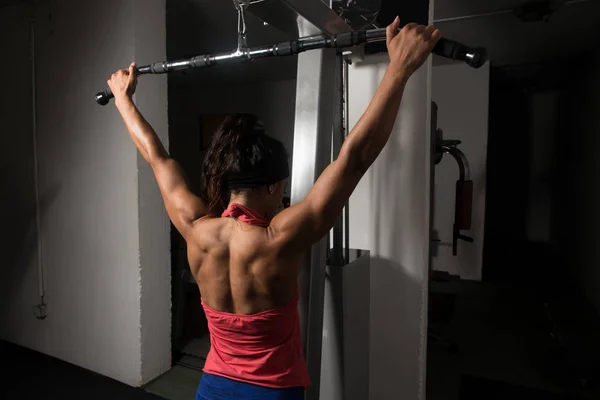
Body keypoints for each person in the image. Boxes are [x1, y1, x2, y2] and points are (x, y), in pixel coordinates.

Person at [108, 16, 440, 400]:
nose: (283, 194)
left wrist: (123, 99)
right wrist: (399, 70)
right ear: (269, 184)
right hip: (273, 392)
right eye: (281, 187)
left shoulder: (194, 227)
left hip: (212, 386)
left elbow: (157, 157)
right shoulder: (278, 238)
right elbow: (354, 158)